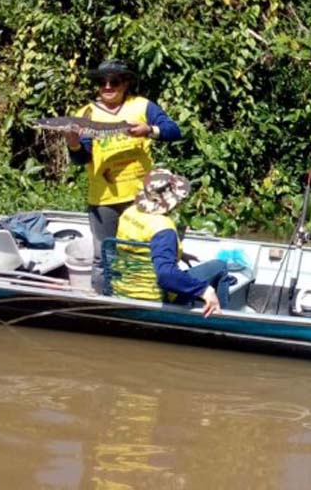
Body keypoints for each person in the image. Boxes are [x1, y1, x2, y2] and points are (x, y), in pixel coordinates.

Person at [65, 58, 181, 279]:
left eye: (114, 81)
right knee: (104, 256)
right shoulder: (84, 115)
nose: (107, 87)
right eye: (102, 81)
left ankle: (143, 294)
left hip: (144, 196)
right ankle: (104, 301)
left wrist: (150, 129)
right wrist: (73, 144)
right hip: (104, 199)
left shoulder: (142, 106)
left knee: (145, 251)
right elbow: (82, 159)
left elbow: (173, 130)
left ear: (125, 83)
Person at [111, 167, 233, 316]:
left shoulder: (129, 213)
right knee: (220, 267)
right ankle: (222, 320)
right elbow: (166, 276)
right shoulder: (162, 227)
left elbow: (138, 246)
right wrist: (205, 290)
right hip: (153, 296)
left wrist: (180, 254)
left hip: (123, 290)